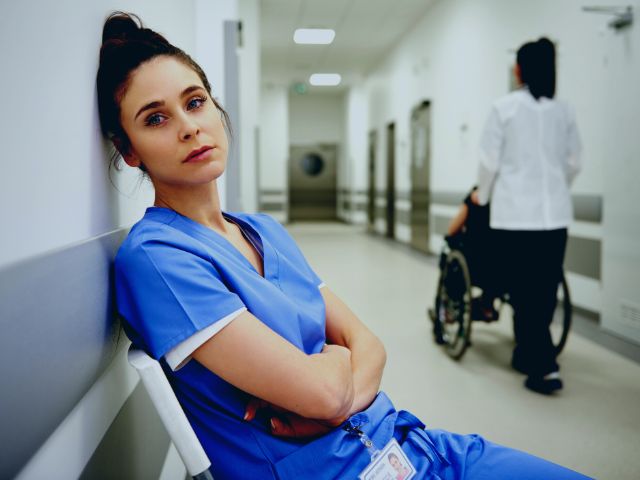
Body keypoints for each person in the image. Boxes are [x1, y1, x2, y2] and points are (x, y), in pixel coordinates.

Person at [99, 13, 591, 479]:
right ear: (129, 150)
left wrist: (338, 393)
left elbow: (369, 349)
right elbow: (327, 387)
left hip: (408, 445)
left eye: (195, 101)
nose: (189, 126)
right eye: (155, 119)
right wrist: (337, 372)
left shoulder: (263, 231)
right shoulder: (157, 258)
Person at [474, 37, 582, 395]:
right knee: (544, 290)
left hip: (515, 217)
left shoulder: (504, 108)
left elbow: (489, 162)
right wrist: (552, 187)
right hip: (555, 217)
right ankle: (529, 352)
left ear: (519, 69)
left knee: (522, 293)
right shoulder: (563, 111)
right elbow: (573, 163)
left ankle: (542, 365)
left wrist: (483, 196)